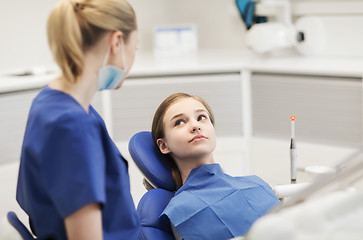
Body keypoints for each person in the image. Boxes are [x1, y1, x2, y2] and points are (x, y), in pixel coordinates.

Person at [16, 0, 140, 239]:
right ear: (116, 43)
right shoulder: (71, 127)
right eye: (136, 46)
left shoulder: (50, 101)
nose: (134, 57)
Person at [151, 93, 280, 240]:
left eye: (201, 118)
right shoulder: (181, 211)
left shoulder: (255, 183)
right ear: (164, 145)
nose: (195, 126)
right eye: (179, 122)